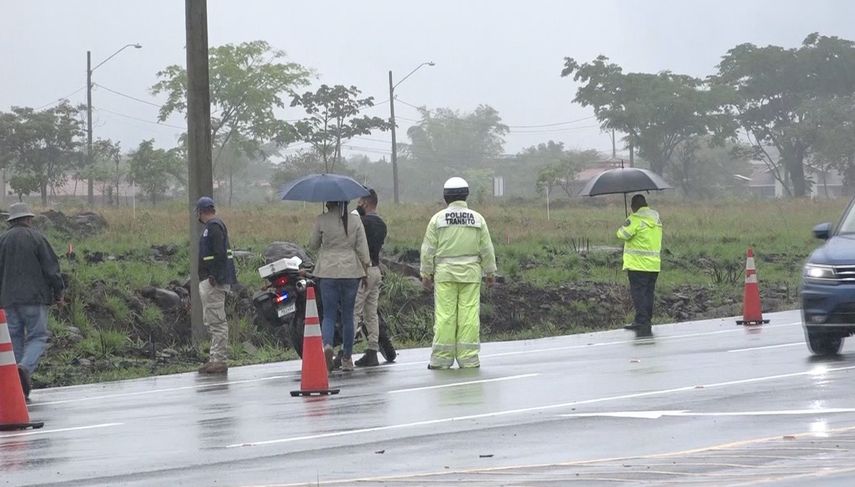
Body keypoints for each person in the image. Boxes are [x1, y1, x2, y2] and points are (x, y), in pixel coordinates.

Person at [420, 177, 497, 369]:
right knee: (469, 315)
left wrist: (426, 274)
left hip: (445, 275)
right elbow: (486, 248)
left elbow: (428, 249)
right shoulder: (477, 219)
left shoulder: (437, 219)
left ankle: (441, 359)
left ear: (445, 197)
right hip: (471, 275)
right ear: (466, 195)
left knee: (445, 316)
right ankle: (469, 359)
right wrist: (490, 272)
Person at [0, 203, 65, 399]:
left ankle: (15, 381)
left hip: (8, 300)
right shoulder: (38, 238)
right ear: (28, 219)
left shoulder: (2, 240)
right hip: (35, 299)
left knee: (14, 338)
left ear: (11, 221)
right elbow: (51, 269)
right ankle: (24, 368)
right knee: (37, 336)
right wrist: (59, 292)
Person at [308, 201, 370, 372]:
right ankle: (347, 358)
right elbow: (363, 249)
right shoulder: (355, 220)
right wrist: (365, 270)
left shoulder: (322, 219)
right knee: (348, 316)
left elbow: (312, 245)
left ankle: (327, 345)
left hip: (327, 271)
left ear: (328, 203)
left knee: (328, 314)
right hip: (351, 271)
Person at [196, 196, 238, 374]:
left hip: (214, 281)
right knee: (213, 321)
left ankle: (219, 360)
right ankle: (214, 358)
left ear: (200, 212)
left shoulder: (213, 227)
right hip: (213, 280)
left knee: (218, 322)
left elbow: (219, 254)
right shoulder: (213, 227)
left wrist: (214, 275)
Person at [617, 194, 663, 337]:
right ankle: (646, 320)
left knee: (639, 294)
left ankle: (641, 321)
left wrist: (627, 220)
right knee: (648, 294)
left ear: (633, 207)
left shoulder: (634, 219)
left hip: (637, 265)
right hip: (653, 265)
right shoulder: (656, 219)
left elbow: (621, 235)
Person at [353, 189, 387, 367]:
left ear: (365, 203)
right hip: (376, 269)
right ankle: (372, 350)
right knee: (371, 313)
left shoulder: (361, 223)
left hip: (362, 272)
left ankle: (345, 353)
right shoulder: (381, 224)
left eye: (359, 201)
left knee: (353, 312)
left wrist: (356, 213)